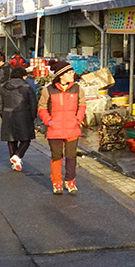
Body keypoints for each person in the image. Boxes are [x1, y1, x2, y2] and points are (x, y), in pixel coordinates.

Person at [38, 63, 86, 195]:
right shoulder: (48, 90)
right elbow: (42, 107)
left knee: (71, 157)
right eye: (69, 73)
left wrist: (78, 119)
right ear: (61, 75)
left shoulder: (77, 89)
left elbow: (82, 105)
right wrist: (48, 121)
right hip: (55, 130)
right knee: (56, 157)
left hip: (72, 129)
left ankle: (70, 181)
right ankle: (57, 183)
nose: (73, 75)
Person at [0, 65, 37, 172]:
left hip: (8, 114)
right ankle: (17, 156)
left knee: (11, 139)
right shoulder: (27, 87)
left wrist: (3, 114)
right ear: (23, 76)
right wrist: (32, 117)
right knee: (26, 139)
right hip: (24, 115)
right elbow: (33, 104)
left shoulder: (3, 87)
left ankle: (15, 161)